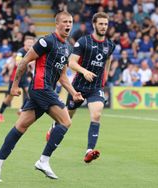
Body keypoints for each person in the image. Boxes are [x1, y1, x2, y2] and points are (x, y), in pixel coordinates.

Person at [0, 11, 84, 182]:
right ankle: (43, 161)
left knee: (21, 126)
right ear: (57, 24)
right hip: (41, 88)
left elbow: (62, 76)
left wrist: (73, 92)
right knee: (66, 121)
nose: (68, 25)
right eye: (65, 22)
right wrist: (15, 86)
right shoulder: (46, 41)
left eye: (70, 22)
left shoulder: (67, 47)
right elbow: (24, 61)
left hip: (46, 90)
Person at [46, 12, 115, 163]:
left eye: (106, 24)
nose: (104, 27)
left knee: (96, 115)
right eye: (101, 24)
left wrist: (105, 76)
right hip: (78, 87)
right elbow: (71, 63)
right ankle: (54, 126)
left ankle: (89, 151)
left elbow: (108, 59)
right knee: (68, 117)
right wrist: (84, 71)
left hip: (96, 87)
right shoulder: (83, 42)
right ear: (94, 24)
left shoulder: (110, 45)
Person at [0, 36, 35, 122]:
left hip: (23, 77)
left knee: (31, 94)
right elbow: (18, 63)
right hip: (15, 77)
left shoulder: (31, 52)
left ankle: (21, 110)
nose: (30, 44)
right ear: (24, 43)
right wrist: (29, 63)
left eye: (31, 43)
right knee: (9, 98)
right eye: (28, 43)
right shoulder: (20, 52)